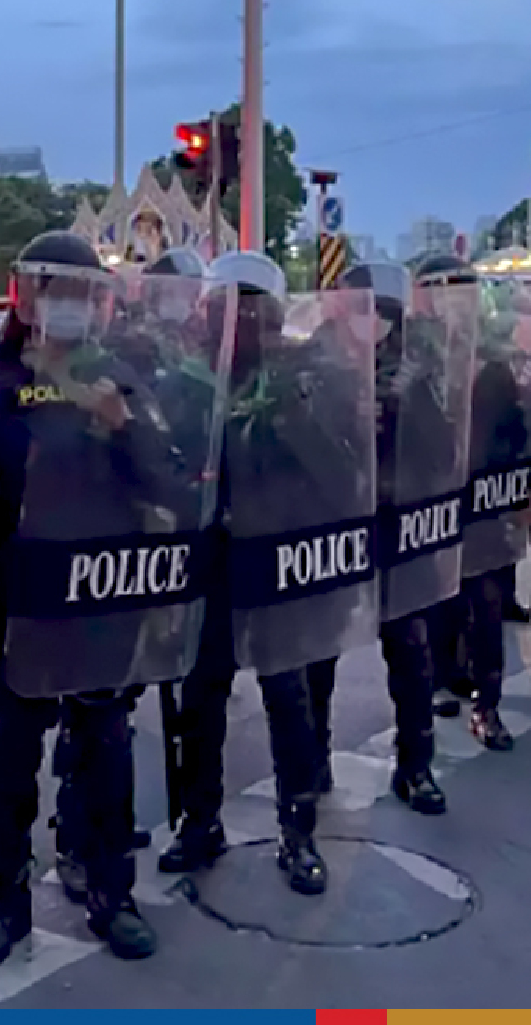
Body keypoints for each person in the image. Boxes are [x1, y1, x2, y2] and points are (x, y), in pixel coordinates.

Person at [0, 231, 215, 969]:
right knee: (12, 757)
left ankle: (113, 893)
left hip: (103, 594)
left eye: (81, 294)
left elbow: (170, 485)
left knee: (105, 750)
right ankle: (4, 905)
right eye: (55, 291)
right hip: (20, 599)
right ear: (25, 294)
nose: (67, 307)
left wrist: (122, 425)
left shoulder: (121, 377)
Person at [159, 250, 374, 896]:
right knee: (201, 698)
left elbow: (341, 477)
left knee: (288, 697)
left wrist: (293, 416)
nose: (236, 322)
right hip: (212, 564)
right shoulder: (187, 381)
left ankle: (298, 832)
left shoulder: (304, 379)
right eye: (224, 308)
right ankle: (200, 822)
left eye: (249, 309)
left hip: (279, 564)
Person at [309, 259, 476, 814]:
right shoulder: (313, 360)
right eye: (364, 310)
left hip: (398, 520)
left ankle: (416, 764)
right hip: (333, 522)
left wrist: (414, 408)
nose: (372, 322)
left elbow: (448, 449)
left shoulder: (419, 367)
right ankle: (311, 761)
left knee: (410, 645)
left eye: (383, 312)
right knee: (319, 648)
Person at [431, 256, 531, 750]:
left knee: (488, 606)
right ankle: (438, 684)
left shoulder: (498, 365)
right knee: (434, 605)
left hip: (484, 504)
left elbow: (518, 432)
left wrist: (514, 480)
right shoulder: (419, 360)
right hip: (432, 509)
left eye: (465, 295)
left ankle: (488, 705)